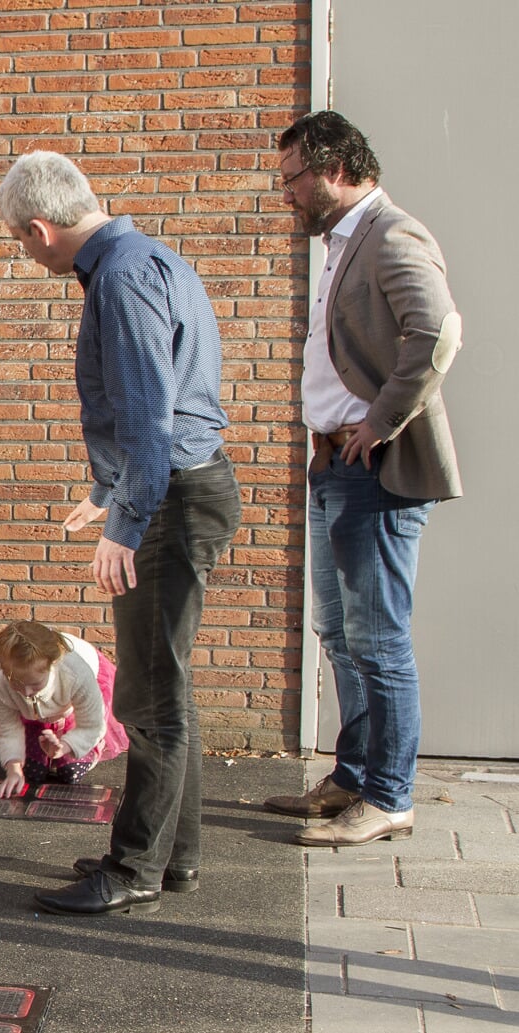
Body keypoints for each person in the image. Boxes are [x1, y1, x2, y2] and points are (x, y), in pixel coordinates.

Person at [0, 150, 241, 917]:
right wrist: (107, 493)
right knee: (168, 686)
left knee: (148, 696)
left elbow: (148, 416)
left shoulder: (124, 277)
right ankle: (176, 859)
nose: (26, 253)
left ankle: (134, 868)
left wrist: (126, 524)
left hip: (170, 498)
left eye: (20, 240)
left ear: (40, 228)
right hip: (177, 488)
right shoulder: (149, 258)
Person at [261, 112, 465, 848]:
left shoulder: (391, 233)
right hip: (330, 465)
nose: (286, 194)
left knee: (378, 639)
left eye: (292, 179)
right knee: (340, 633)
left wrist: (383, 420)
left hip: (371, 467)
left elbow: (438, 330)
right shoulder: (345, 241)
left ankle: (389, 796)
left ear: (335, 167)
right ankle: (352, 775)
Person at [0, 620, 129, 801]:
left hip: (71, 707)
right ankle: (39, 732)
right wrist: (13, 769)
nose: (27, 692)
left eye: (35, 684)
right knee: (33, 773)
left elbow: (92, 724)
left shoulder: (76, 673)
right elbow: (7, 728)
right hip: (35, 713)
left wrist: (65, 747)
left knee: (69, 773)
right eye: (18, 683)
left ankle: (82, 746)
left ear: (52, 666)